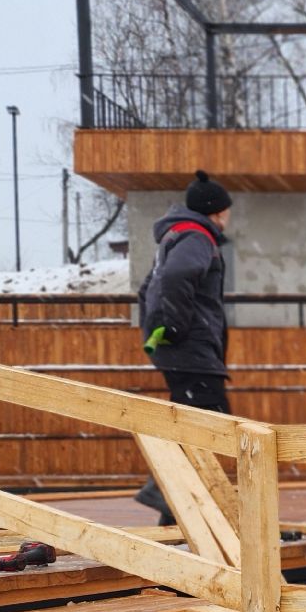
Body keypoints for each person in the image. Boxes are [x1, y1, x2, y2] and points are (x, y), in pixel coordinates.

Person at [134, 170, 234, 525]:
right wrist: (174, 327)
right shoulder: (196, 238)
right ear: (216, 211)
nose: (228, 217)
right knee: (209, 420)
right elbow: (176, 278)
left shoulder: (176, 237)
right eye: (226, 210)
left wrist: (158, 328)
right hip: (191, 348)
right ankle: (162, 490)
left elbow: (147, 289)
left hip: (184, 348)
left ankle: (175, 514)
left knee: (192, 420)